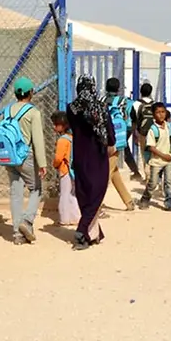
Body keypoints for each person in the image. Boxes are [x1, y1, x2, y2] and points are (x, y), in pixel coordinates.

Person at [67, 74, 117, 250]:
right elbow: (110, 134)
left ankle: (94, 232)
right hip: (97, 157)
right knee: (96, 194)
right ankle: (82, 230)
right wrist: (110, 143)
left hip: (80, 157)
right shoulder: (101, 107)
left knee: (84, 193)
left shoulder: (71, 108)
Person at [2, 77, 48, 245]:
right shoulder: (33, 112)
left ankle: (17, 235)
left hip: (9, 155)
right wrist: (42, 164)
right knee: (36, 189)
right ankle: (27, 221)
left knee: (16, 193)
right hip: (25, 156)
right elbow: (37, 140)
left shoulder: (7, 111)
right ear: (31, 92)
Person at [139, 102, 171, 211]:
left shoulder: (168, 126)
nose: (161, 115)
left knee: (168, 182)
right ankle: (145, 199)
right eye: (158, 112)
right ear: (154, 115)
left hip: (168, 160)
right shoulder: (152, 129)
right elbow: (151, 147)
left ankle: (169, 202)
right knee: (153, 183)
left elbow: (170, 139)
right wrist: (164, 156)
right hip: (157, 161)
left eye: (163, 112)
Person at [104, 77, 140, 177]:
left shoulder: (101, 100)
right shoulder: (125, 101)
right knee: (124, 149)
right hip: (122, 129)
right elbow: (133, 113)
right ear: (118, 88)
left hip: (107, 127)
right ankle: (135, 172)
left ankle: (109, 172)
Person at [51, 111, 81, 227]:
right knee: (72, 195)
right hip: (74, 170)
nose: (54, 127)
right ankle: (75, 217)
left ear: (63, 125)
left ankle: (64, 218)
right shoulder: (72, 138)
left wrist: (54, 165)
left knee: (64, 195)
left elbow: (58, 158)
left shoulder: (62, 140)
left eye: (56, 124)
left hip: (65, 170)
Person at [131, 81, 156, 180]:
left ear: (141, 92)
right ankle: (155, 177)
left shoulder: (136, 104)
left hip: (143, 132)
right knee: (154, 153)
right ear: (150, 92)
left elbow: (133, 121)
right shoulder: (155, 104)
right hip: (154, 132)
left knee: (144, 153)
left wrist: (134, 134)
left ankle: (148, 177)